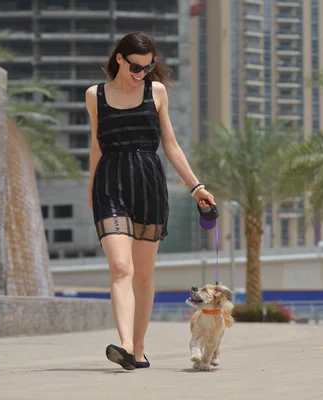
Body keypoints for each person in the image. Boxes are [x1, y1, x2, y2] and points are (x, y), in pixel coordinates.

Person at [85, 31, 215, 370]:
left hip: (147, 184)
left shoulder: (154, 92)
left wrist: (196, 186)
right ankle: (125, 345)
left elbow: (170, 144)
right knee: (120, 268)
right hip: (109, 185)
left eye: (147, 67)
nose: (141, 73)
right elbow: (97, 145)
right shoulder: (94, 96)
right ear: (119, 59)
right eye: (135, 67)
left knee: (143, 275)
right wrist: (90, 189)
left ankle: (138, 349)